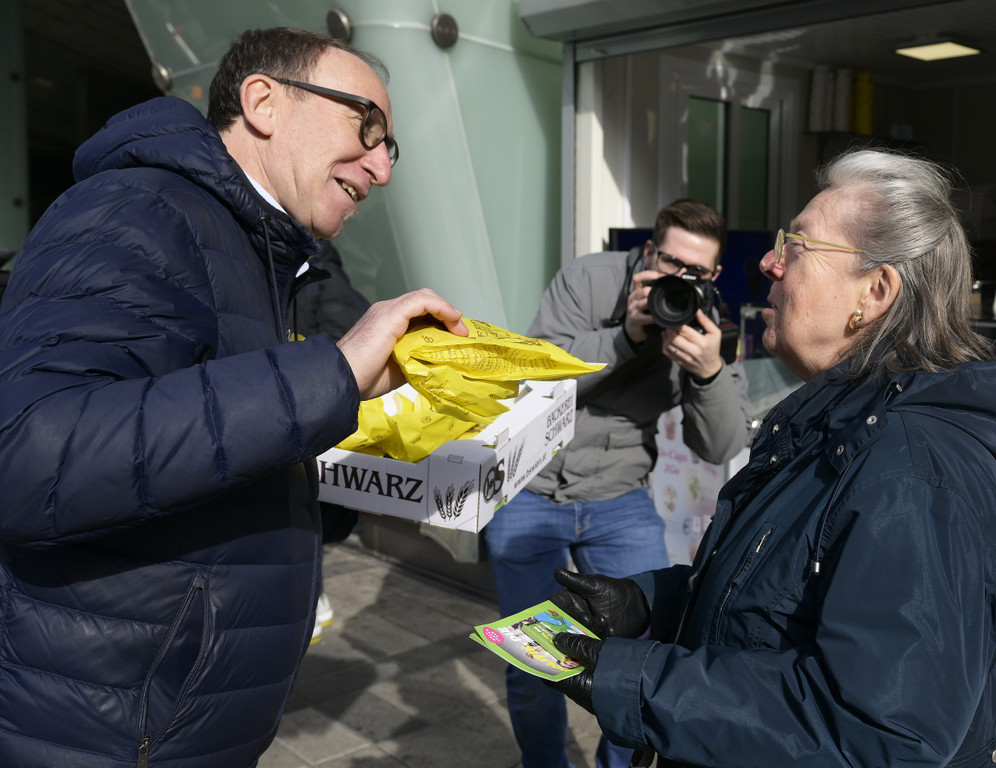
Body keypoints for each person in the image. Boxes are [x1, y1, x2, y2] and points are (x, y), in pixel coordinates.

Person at [0, 27, 467, 768]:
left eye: (391, 149)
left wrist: (367, 447)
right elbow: (31, 458)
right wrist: (332, 374)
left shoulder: (261, 253)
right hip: (101, 734)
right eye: (367, 127)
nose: (381, 168)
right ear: (263, 102)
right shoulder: (138, 211)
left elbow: (215, 451)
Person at [548, 148, 996, 768]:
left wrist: (639, 680)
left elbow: (878, 734)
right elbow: (786, 609)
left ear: (875, 292)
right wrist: (653, 602)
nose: (767, 263)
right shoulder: (838, 421)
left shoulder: (912, 471)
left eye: (797, 247)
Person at [484, 199, 754, 768]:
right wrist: (625, 336)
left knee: (643, 658)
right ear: (649, 251)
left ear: (713, 276)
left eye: (696, 272)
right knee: (533, 661)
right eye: (671, 263)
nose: (680, 279)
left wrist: (707, 373)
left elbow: (721, 444)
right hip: (532, 485)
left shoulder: (711, 321)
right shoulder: (589, 279)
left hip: (619, 495)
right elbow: (537, 376)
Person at [289, 239, 372, 644]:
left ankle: (309, 599)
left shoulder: (315, 256)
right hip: (283, 417)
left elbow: (343, 335)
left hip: (304, 417)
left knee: (304, 516)